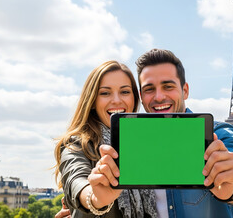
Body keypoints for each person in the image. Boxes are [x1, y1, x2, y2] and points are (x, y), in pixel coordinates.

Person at [56, 49, 233, 217]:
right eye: (149, 89)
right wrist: (92, 199)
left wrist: (232, 187)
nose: (159, 97)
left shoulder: (217, 134)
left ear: (185, 90)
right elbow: (78, 180)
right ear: (141, 97)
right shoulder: (135, 144)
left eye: (168, 86)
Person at [54, 61, 158, 217]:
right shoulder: (75, 144)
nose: (116, 100)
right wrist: (95, 198)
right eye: (105, 93)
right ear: (93, 101)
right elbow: (76, 180)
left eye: (125, 92)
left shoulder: (145, 145)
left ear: (134, 99)